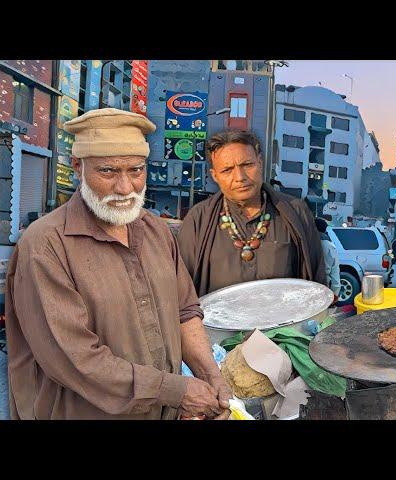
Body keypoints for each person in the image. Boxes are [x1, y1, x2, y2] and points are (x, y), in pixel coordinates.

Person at [4, 108, 232, 420]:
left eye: (136, 171)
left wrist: (211, 376)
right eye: (108, 172)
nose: (125, 188)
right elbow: (75, 359)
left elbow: (185, 312)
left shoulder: (157, 232)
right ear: (78, 168)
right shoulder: (45, 245)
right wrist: (176, 391)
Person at [178, 129, 326, 296]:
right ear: (215, 176)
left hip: (285, 321)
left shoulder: (296, 212)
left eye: (247, 165)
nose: (240, 177)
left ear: (260, 162)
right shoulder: (198, 219)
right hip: (217, 321)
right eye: (227, 170)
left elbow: (316, 283)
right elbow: (182, 292)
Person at [314, 218, 341, 303]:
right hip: (324, 285)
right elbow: (335, 271)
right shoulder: (330, 246)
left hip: (306, 284)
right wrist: (335, 292)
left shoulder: (306, 243)